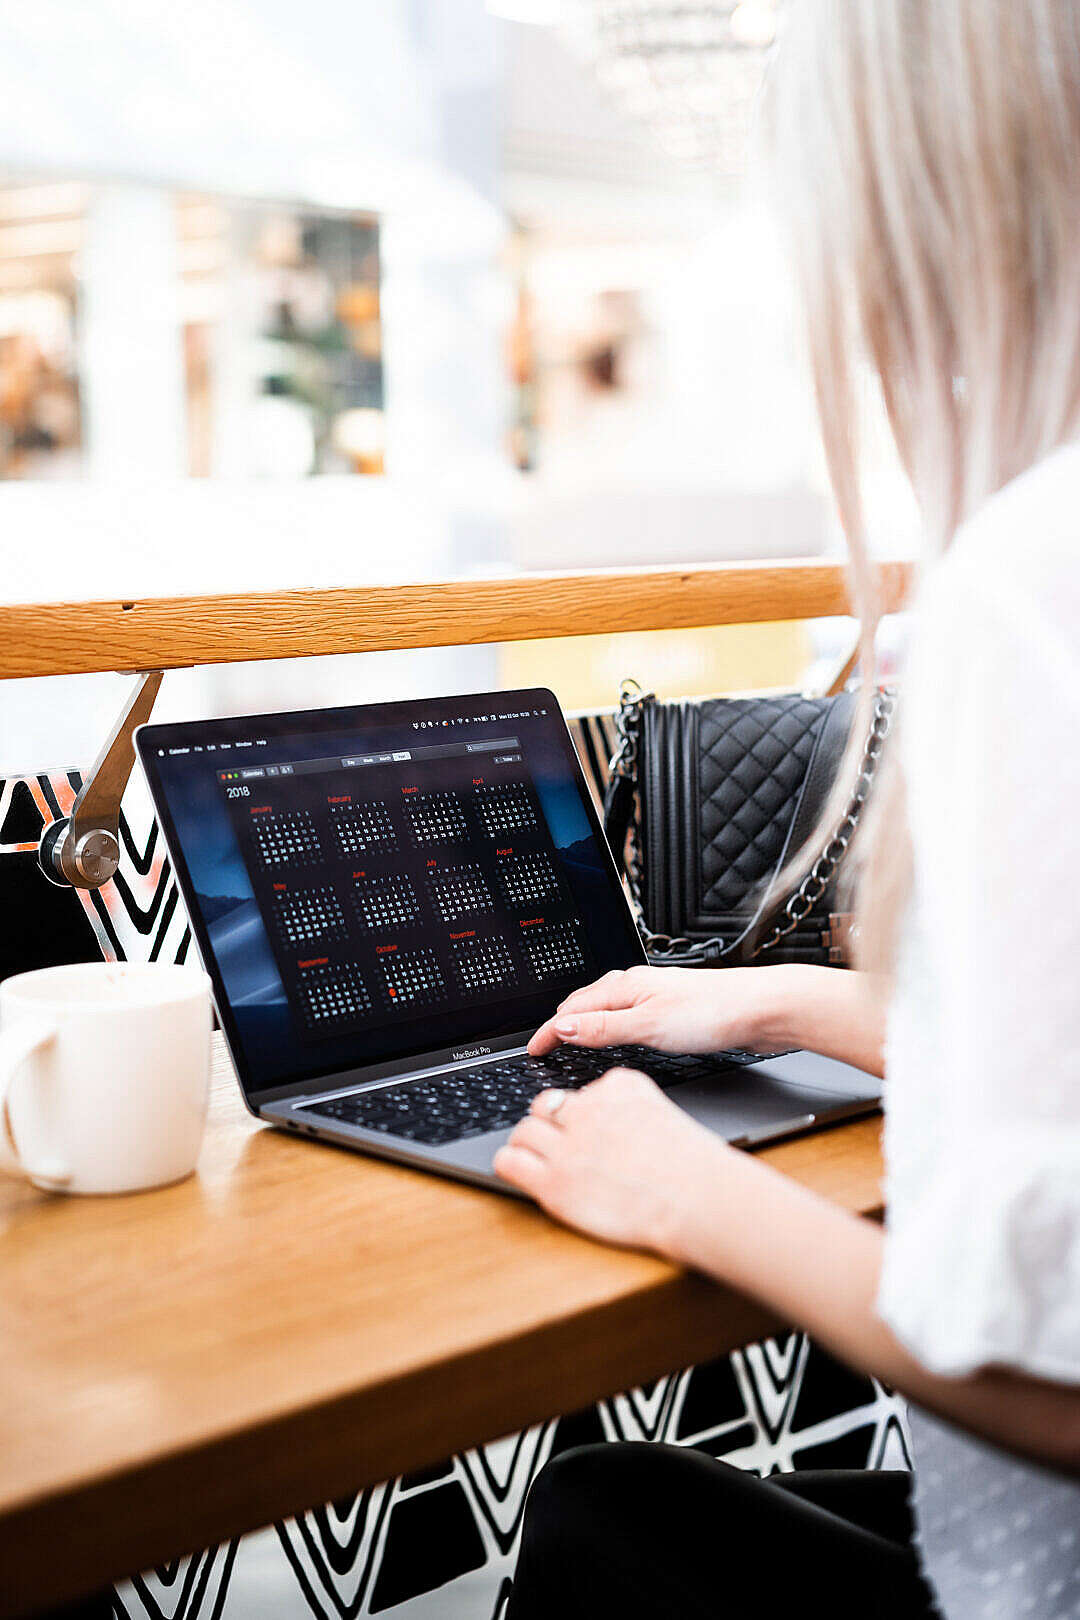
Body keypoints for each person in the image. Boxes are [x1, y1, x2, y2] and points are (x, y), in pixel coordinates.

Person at [495, 3, 1080, 1616]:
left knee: (606, 1517)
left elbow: (1049, 1377)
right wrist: (798, 1001)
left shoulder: (1035, 580)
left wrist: (689, 1191)